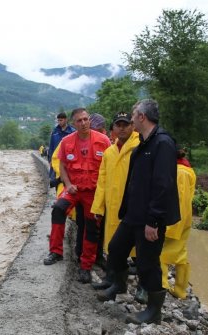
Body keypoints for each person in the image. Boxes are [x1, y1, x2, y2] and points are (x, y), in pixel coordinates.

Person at [96, 99, 180, 325]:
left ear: (142, 117)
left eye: (133, 115)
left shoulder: (162, 143)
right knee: (115, 248)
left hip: (150, 218)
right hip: (133, 214)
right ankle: (120, 284)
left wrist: (153, 220)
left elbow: (163, 184)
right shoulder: (144, 143)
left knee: (147, 263)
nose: (131, 119)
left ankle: (154, 311)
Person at [43, 108, 111, 284]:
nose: (83, 123)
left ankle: (86, 266)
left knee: (92, 226)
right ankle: (55, 252)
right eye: (79, 121)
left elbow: (111, 166)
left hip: (93, 192)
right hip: (73, 189)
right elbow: (63, 166)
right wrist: (67, 184)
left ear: (90, 120)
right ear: (73, 124)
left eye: (86, 119)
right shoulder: (66, 142)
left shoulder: (103, 141)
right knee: (58, 209)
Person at [90, 111, 140, 289]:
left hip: (134, 207)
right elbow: (102, 182)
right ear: (113, 129)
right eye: (118, 125)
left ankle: (143, 288)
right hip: (112, 207)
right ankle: (112, 280)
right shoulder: (109, 152)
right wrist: (98, 207)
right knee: (112, 245)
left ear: (132, 126)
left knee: (138, 250)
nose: (122, 128)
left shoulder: (140, 147)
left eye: (125, 124)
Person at [160, 146, 196, 299]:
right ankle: (180, 290)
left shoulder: (179, 172)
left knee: (159, 255)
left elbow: (178, 200)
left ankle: (161, 286)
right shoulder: (188, 170)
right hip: (185, 219)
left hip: (174, 221)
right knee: (181, 254)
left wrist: (169, 225)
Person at [47, 112, 75, 188]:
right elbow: (51, 146)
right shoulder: (55, 132)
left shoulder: (72, 132)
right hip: (56, 159)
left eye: (61, 120)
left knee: (67, 179)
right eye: (58, 120)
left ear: (66, 120)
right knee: (56, 181)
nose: (59, 122)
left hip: (68, 159)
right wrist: (50, 160)